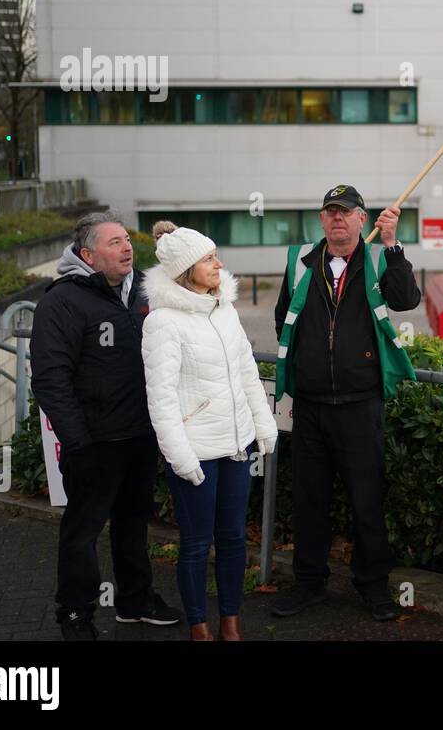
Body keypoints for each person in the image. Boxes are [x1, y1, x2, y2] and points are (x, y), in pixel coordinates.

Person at [270, 184, 420, 621]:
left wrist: (393, 246)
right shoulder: (300, 261)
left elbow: (406, 300)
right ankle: (308, 585)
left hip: (360, 405)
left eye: (346, 212)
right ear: (321, 220)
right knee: (309, 502)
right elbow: (284, 318)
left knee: (367, 502)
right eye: (330, 212)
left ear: (362, 219)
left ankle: (374, 590)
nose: (337, 218)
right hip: (311, 406)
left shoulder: (377, 257)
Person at [30, 212, 181, 639]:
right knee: (82, 534)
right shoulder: (61, 302)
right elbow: (50, 378)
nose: (127, 247)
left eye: (126, 240)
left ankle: (135, 602)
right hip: (93, 445)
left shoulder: (142, 294)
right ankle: (75, 614)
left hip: (138, 438)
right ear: (88, 255)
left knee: (133, 526)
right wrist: (79, 443)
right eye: (114, 242)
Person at [140, 221, 278, 641]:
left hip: (237, 447)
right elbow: (160, 398)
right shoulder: (163, 322)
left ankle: (230, 624)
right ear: (185, 269)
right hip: (195, 453)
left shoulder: (225, 310)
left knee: (234, 540)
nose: (219, 264)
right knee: (197, 544)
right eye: (208, 259)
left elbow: (247, 374)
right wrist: (180, 457)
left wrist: (264, 426)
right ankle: (199, 627)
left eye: (216, 255)